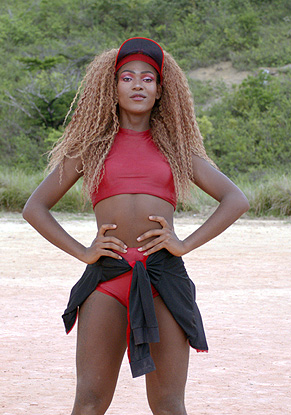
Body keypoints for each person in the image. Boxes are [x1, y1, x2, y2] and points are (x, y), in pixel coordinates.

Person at [22, 37, 249, 414]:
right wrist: (83, 251)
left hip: (163, 278)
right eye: (127, 78)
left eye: (148, 78)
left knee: (169, 405)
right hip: (107, 278)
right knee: (89, 402)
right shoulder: (92, 148)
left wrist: (184, 244)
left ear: (160, 91)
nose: (138, 85)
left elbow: (235, 199)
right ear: (112, 88)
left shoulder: (177, 149)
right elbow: (35, 207)